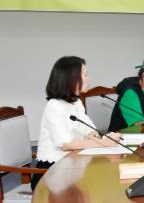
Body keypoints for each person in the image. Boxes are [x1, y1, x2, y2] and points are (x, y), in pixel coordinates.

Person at [33, 56, 119, 190]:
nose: (89, 78)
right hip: (51, 173)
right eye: (85, 75)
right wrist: (103, 143)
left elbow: (89, 129)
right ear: (72, 79)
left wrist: (94, 136)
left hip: (73, 165)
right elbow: (66, 145)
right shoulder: (54, 105)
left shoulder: (76, 101)